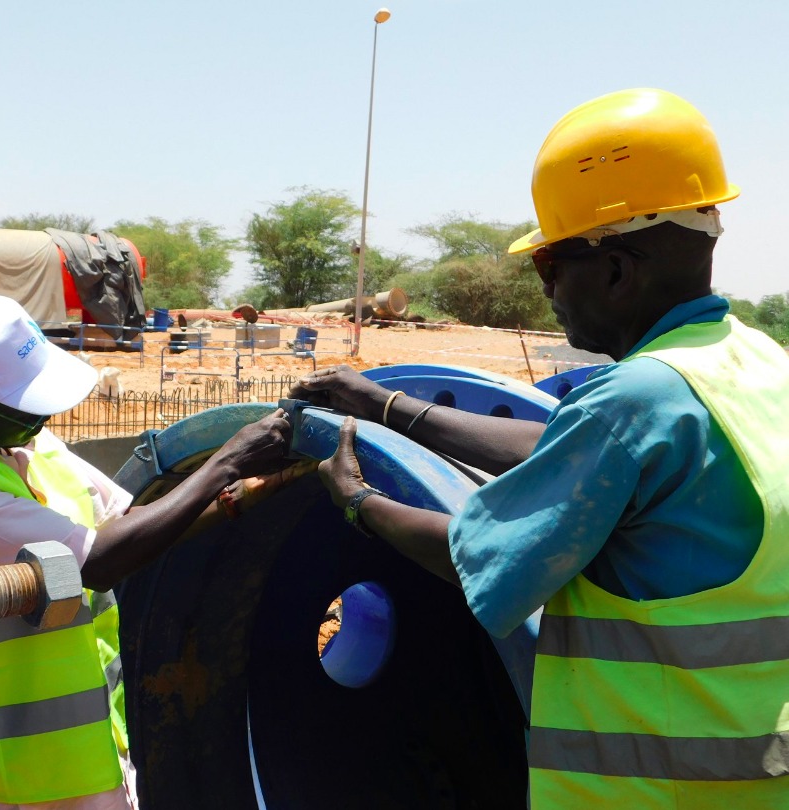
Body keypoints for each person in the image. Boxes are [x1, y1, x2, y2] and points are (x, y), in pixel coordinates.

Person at [293, 88, 789, 808]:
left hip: (650, 791)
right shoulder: (752, 366)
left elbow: (476, 561)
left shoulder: (636, 400)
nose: (548, 290)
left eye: (549, 266)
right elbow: (573, 452)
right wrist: (389, 405)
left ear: (617, 270)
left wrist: (358, 501)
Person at [0, 294, 292, 810]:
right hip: (8, 769)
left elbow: (128, 523)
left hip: (85, 742)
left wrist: (236, 498)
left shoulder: (14, 437)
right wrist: (225, 462)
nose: (43, 418)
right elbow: (98, 562)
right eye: (25, 405)